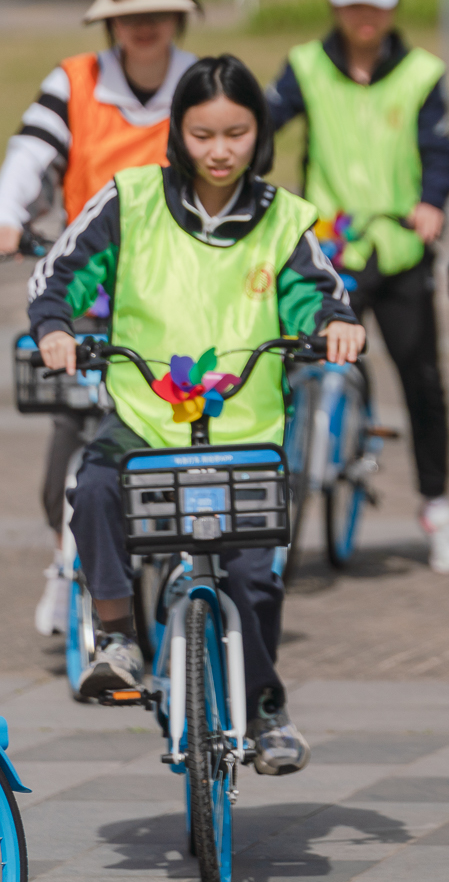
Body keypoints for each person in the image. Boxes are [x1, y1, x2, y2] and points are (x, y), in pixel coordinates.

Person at [29, 55, 364, 772]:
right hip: (145, 419)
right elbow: (61, 274)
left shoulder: (284, 219)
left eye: (236, 133)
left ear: (260, 133)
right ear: (177, 132)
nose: (219, 151)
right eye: (202, 134)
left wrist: (335, 323)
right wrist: (56, 326)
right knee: (94, 489)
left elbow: (317, 292)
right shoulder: (131, 199)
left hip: (245, 431)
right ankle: (117, 636)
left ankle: (265, 707)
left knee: (254, 577)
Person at [0, 0, 201, 635]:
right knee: (72, 430)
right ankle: (63, 557)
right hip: (88, 283)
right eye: (131, 13)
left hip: (177, 288)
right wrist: (4, 215)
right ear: (110, 19)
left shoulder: (200, 83)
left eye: (159, 11)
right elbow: (31, 151)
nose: (145, 26)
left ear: (178, 16)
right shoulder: (76, 80)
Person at [266, 0, 449, 573]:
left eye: (375, 6)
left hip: (399, 245)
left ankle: (436, 509)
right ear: (334, 7)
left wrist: (433, 202)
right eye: (353, 6)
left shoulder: (421, 73)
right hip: (327, 248)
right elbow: (261, 126)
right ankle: (276, 497)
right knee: (289, 364)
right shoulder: (305, 66)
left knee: (422, 377)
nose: (364, 17)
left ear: (392, 8)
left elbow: (442, 151)